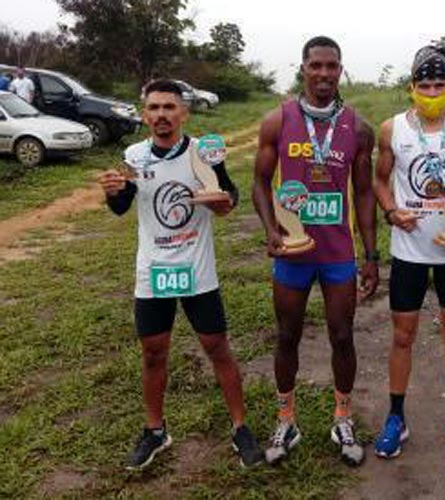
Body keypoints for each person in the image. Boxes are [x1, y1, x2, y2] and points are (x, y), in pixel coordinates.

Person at [97, 79, 264, 470]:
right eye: (153, 108)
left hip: (197, 271)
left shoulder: (204, 155)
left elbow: (229, 197)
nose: (161, 116)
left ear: (184, 113)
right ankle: (155, 431)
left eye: (169, 108)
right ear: (144, 115)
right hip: (152, 273)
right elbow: (122, 206)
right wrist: (112, 190)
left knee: (217, 348)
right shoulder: (134, 155)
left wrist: (222, 204)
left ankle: (240, 428)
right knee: (153, 354)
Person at [252, 36, 378, 467]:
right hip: (292, 253)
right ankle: (286, 418)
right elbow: (259, 182)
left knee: (342, 335)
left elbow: (363, 194)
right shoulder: (278, 120)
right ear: (303, 68)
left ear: (341, 71)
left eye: (332, 66)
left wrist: (372, 255)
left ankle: (342, 416)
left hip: (337, 253)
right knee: (286, 335)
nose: (324, 74)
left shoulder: (358, 128)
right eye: (316, 66)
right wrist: (271, 230)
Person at [371, 44, 445, 460]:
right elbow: (381, 180)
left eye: (439, 85)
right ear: (411, 87)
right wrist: (390, 210)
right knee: (403, 336)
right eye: (424, 85)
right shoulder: (391, 129)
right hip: (408, 252)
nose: (432, 92)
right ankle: (396, 417)